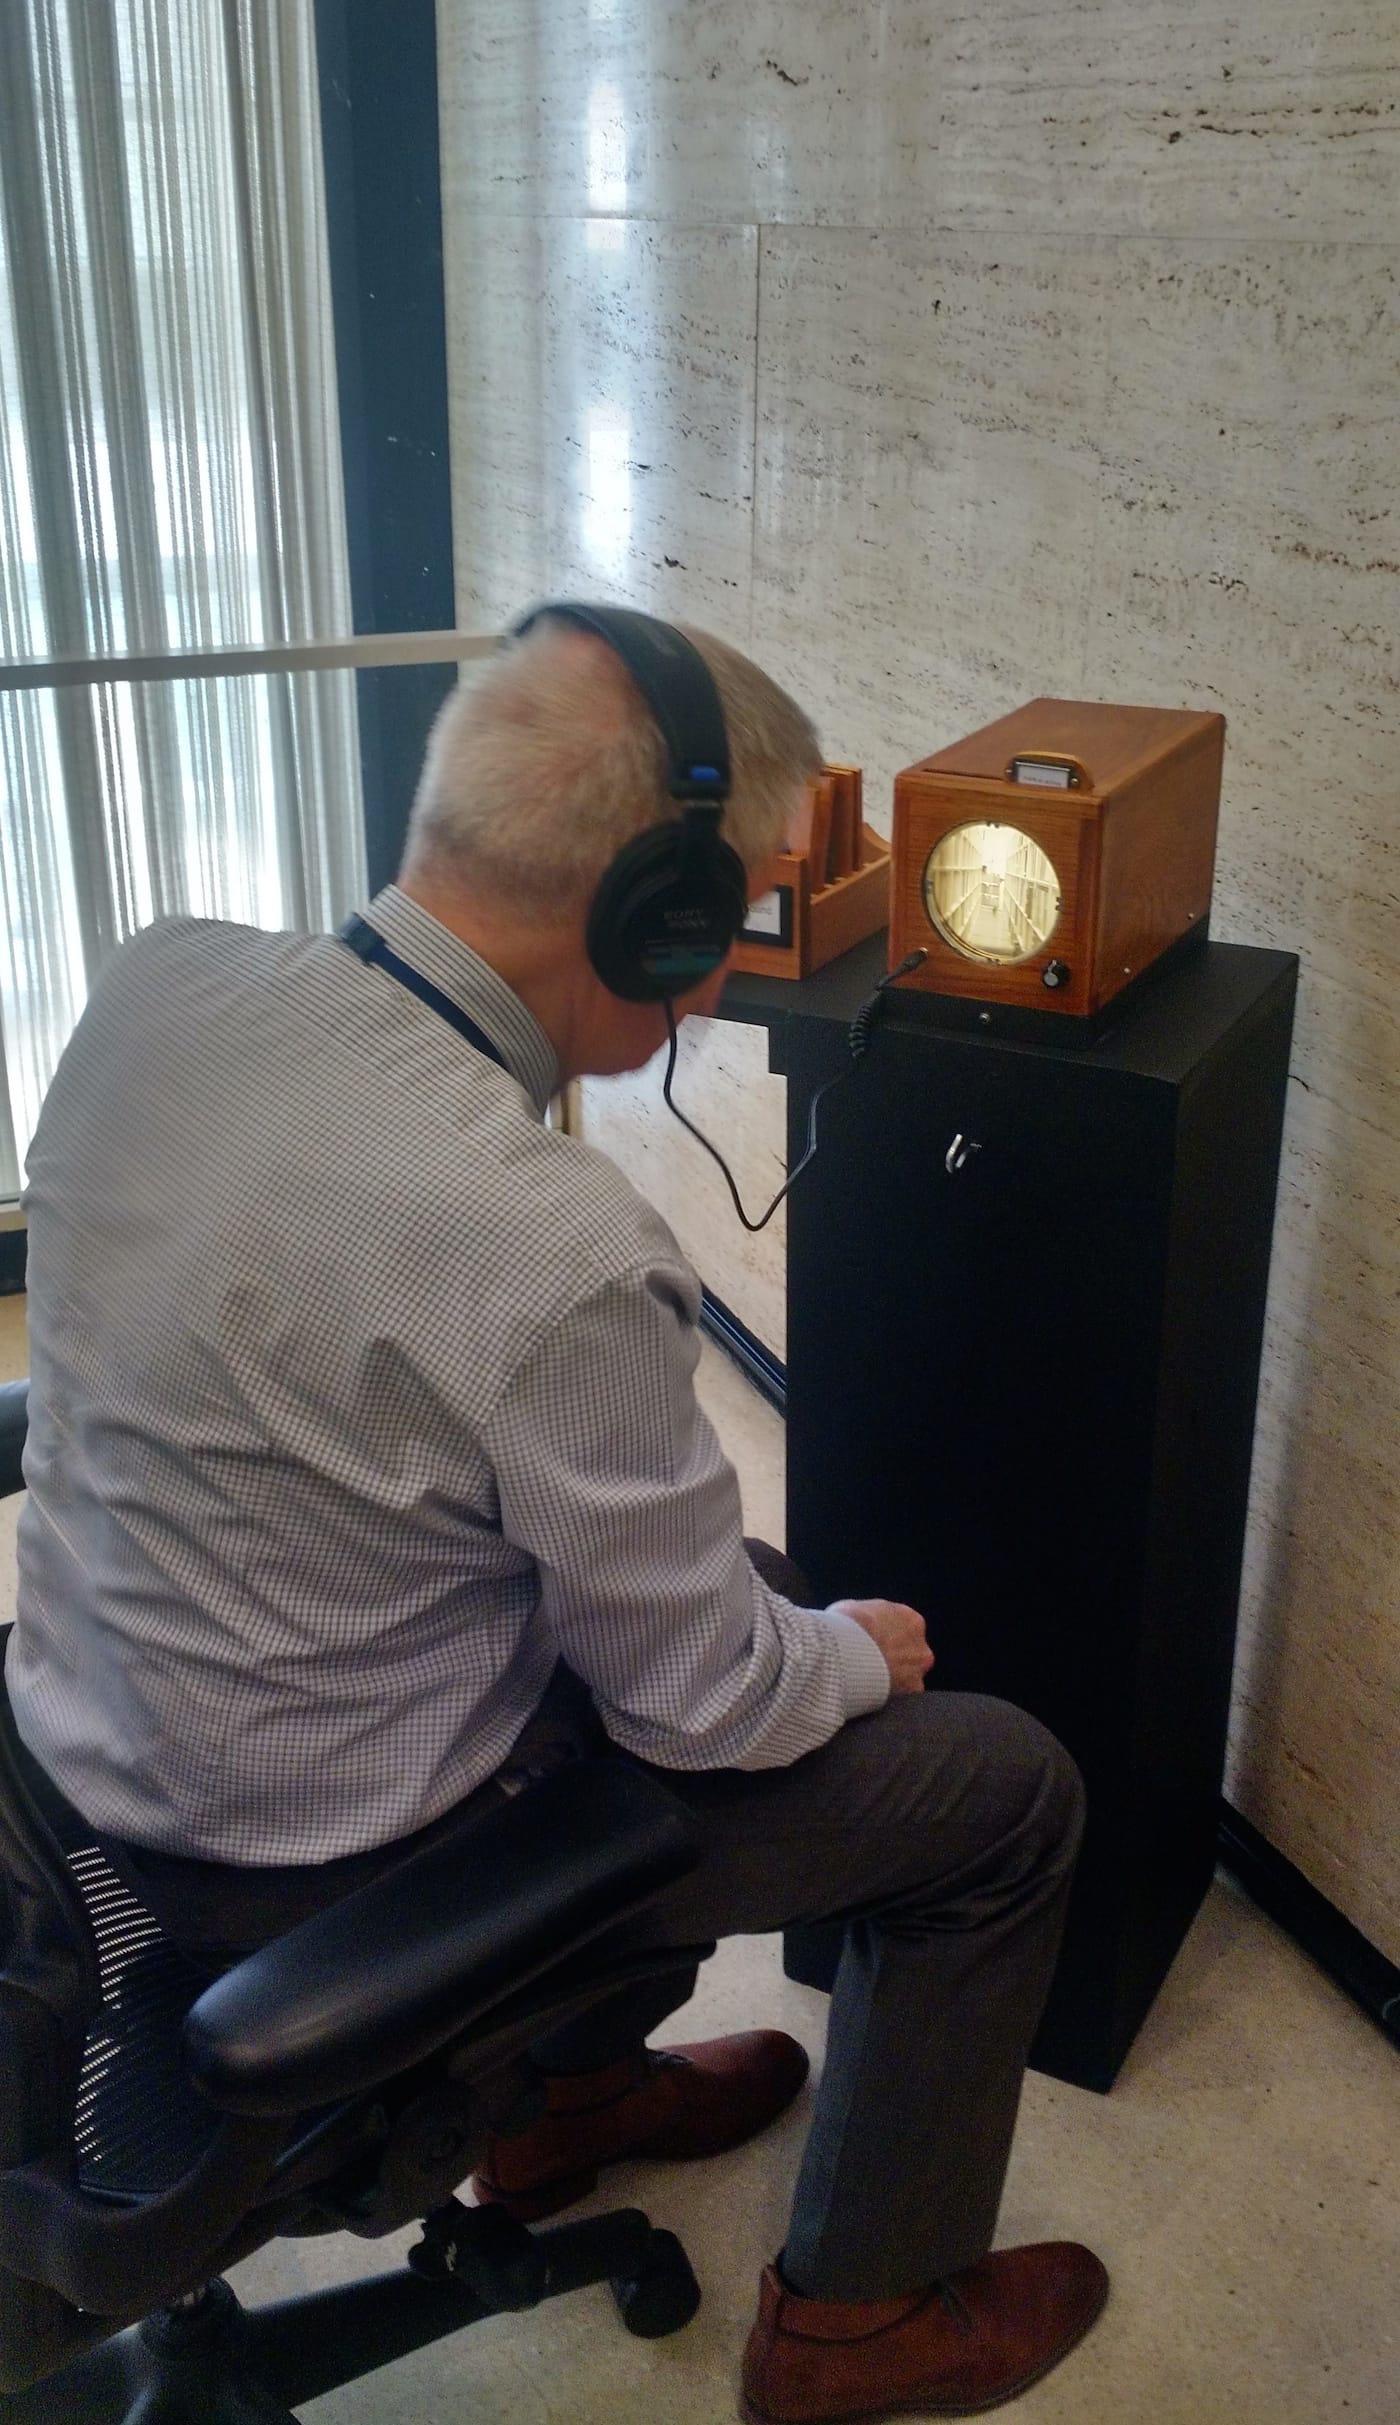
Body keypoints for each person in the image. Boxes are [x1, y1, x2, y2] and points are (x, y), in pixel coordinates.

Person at [5, 607, 1107, 2421]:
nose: (720, 976)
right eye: (729, 919)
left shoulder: (156, 983)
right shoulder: (553, 1247)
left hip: (79, 1770)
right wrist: (850, 1655)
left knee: (746, 1576)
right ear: (655, 915)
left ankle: (560, 2106)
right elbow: (707, 1709)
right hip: (322, 1876)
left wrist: (783, 1627)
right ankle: (858, 2324)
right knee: (998, 1789)